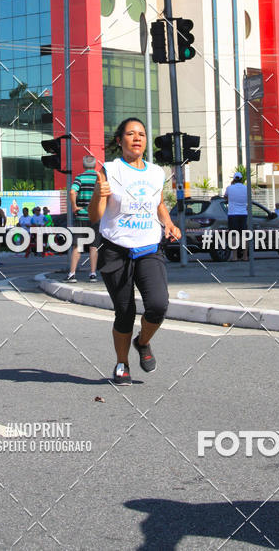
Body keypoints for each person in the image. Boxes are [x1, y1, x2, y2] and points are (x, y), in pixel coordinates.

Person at [88, 118, 180, 385]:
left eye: (141, 134)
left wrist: (169, 222)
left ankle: (143, 342)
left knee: (158, 304)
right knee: (125, 311)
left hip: (149, 247)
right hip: (115, 248)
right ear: (120, 141)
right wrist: (97, 193)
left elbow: (158, 204)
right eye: (130, 134)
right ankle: (122, 363)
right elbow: (96, 215)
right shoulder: (110, 169)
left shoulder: (155, 173)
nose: (137, 138)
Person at [66, 155, 99, 282]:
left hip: (81, 216)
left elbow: (72, 191)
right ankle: (92, 274)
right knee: (93, 246)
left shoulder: (79, 178)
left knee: (77, 246)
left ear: (84, 165)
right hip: (95, 217)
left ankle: (72, 273)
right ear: (95, 165)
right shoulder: (98, 178)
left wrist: (74, 206)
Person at [223, 173, 248, 262]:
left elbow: (225, 197)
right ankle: (245, 256)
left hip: (232, 214)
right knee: (244, 235)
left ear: (233, 179)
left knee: (234, 235)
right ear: (241, 179)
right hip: (244, 214)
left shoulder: (229, 188)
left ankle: (235, 256)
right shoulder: (246, 188)